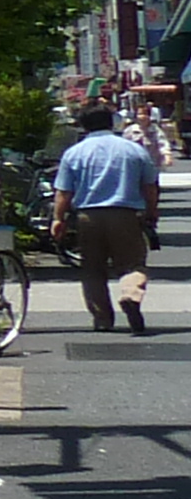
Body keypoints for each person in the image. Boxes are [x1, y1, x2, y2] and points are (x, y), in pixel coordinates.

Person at [53, 103, 164, 335]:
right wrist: (152, 212)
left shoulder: (74, 153)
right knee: (133, 263)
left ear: (83, 126)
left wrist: (58, 219)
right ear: (112, 122)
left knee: (93, 268)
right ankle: (130, 294)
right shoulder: (133, 150)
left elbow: (63, 192)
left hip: (88, 216)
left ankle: (102, 318)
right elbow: (150, 185)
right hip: (126, 214)